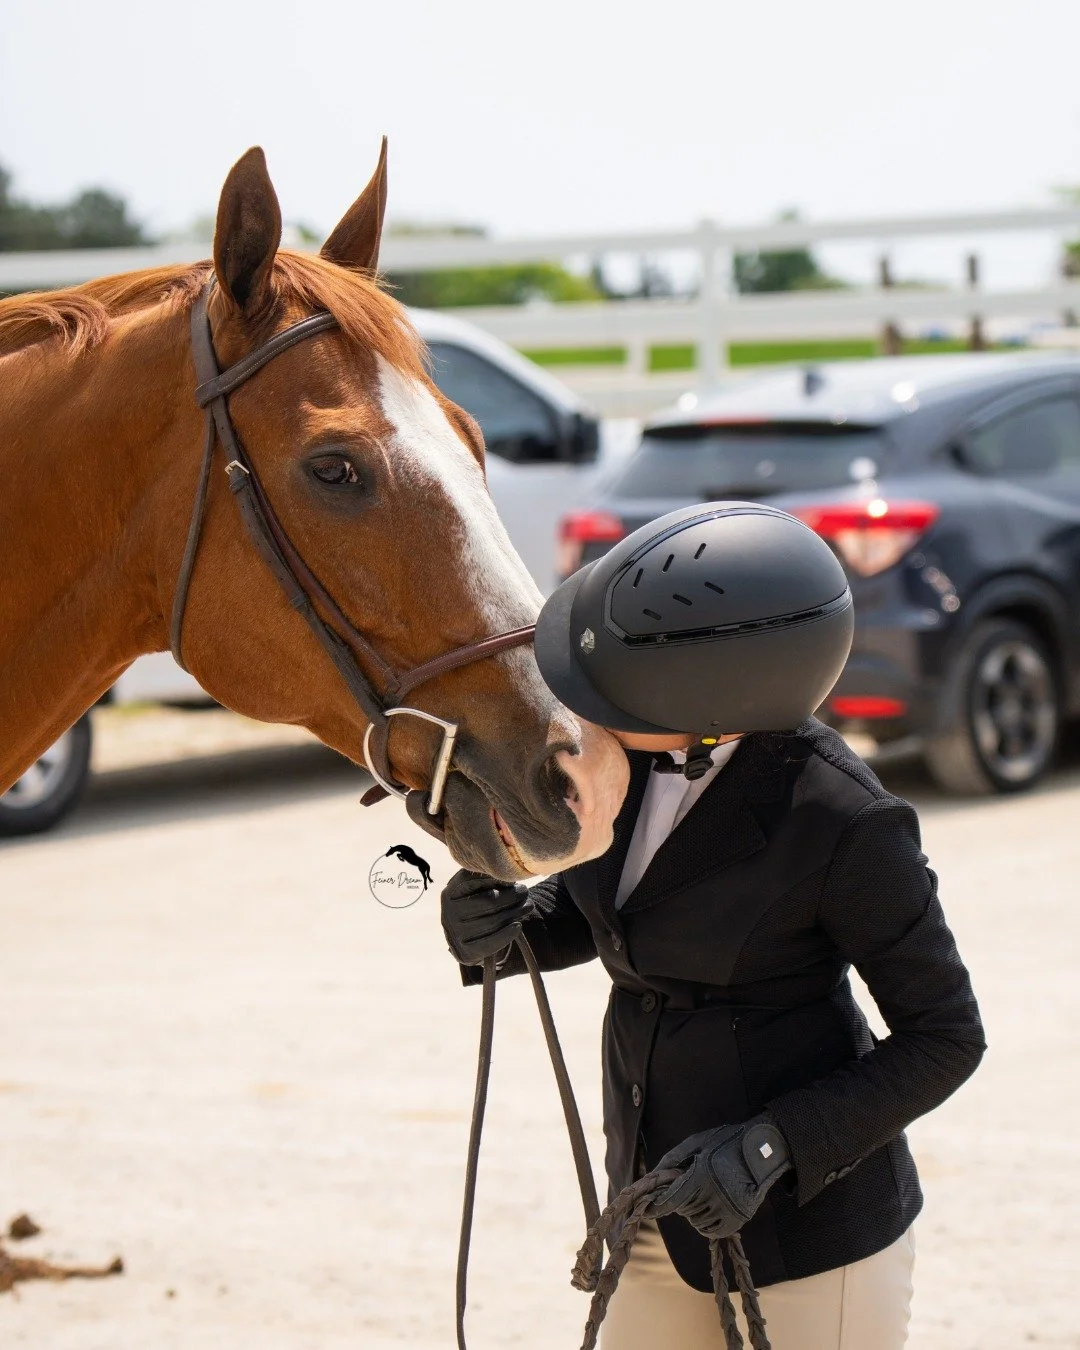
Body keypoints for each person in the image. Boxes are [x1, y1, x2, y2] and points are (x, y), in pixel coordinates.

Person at [441, 503, 985, 1350]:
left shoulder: (847, 823)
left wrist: (772, 1148)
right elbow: (626, 918)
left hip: (807, 1236)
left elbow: (946, 1038)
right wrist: (508, 927)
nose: (575, 711)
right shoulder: (624, 760)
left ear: (709, 699)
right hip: (659, 1206)